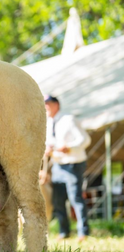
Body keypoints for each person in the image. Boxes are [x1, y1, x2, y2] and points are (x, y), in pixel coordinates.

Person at [44, 95, 91, 241]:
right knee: (58, 200)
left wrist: (69, 147)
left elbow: (85, 140)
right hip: (58, 164)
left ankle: (83, 232)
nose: (46, 107)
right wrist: (48, 149)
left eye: (48, 104)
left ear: (56, 105)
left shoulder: (68, 119)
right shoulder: (49, 123)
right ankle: (64, 231)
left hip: (73, 163)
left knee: (75, 198)